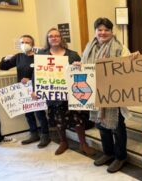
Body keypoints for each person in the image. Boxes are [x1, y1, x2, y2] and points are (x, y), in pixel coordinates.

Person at [81, 17, 133, 173]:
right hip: (96, 93)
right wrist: (80, 66)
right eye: (100, 30)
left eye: (106, 30)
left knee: (117, 127)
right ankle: (108, 153)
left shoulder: (120, 48)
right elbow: (86, 66)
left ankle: (120, 157)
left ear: (112, 32)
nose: (103, 32)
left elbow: (128, 68)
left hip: (114, 93)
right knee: (101, 126)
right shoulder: (89, 47)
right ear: (95, 31)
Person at [36, 28, 95, 156]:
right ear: (48, 39)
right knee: (58, 120)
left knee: (78, 119)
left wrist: (80, 66)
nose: (54, 38)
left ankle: (83, 143)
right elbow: (36, 74)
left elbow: (82, 71)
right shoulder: (42, 55)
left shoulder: (72, 54)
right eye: (51, 36)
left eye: (57, 36)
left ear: (61, 38)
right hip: (54, 95)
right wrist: (36, 90)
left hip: (72, 94)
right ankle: (63, 142)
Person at [0, 34, 50, 148]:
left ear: (32, 44)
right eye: (22, 42)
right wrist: (5, 58)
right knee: (28, 114)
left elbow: (44, 72)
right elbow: (3, 67)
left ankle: (45, 135)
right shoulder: (18, 57)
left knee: (40, 114)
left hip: (36, 89)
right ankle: (34, 134)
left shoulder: (39, 56)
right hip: (23, 91)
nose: (25, 44)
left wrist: (30, 80)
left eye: (28, 42)